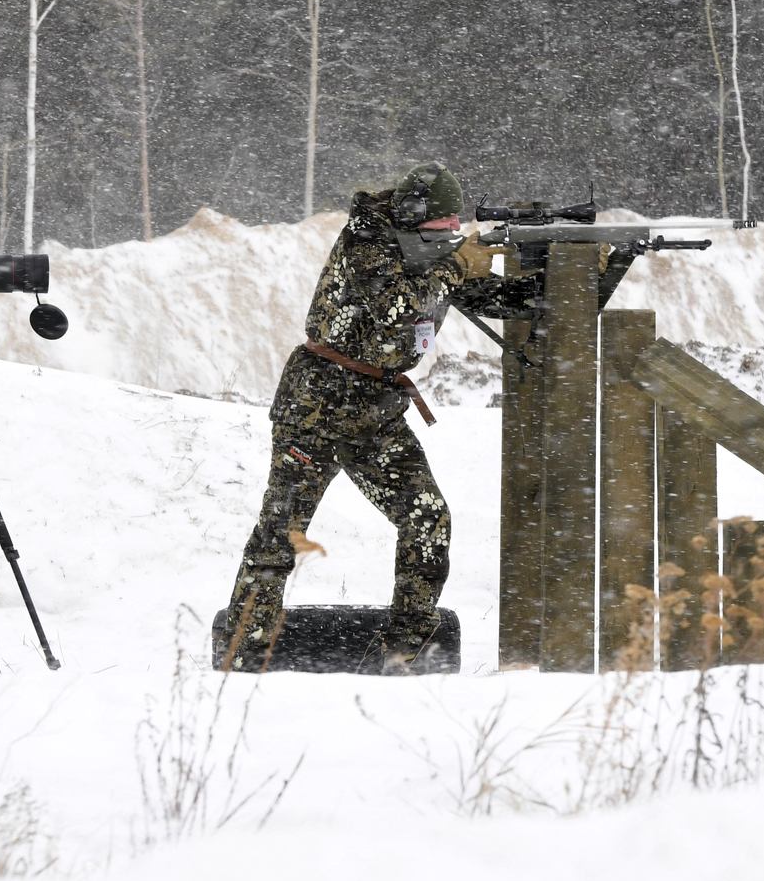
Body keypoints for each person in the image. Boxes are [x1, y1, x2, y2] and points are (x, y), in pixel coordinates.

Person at [221, 162, 540, 674]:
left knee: (427, 518)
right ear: (410, 217)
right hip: (317, 407)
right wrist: (460, 262)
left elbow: (493, 299)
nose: (449, 237)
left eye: (452, 229)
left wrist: (572, 273)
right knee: (281, 532)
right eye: (439, 229)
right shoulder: (366, 240)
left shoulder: (430, 258)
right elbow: (398, 308)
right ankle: (244, 648)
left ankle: (408, 649)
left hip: (376, 414)